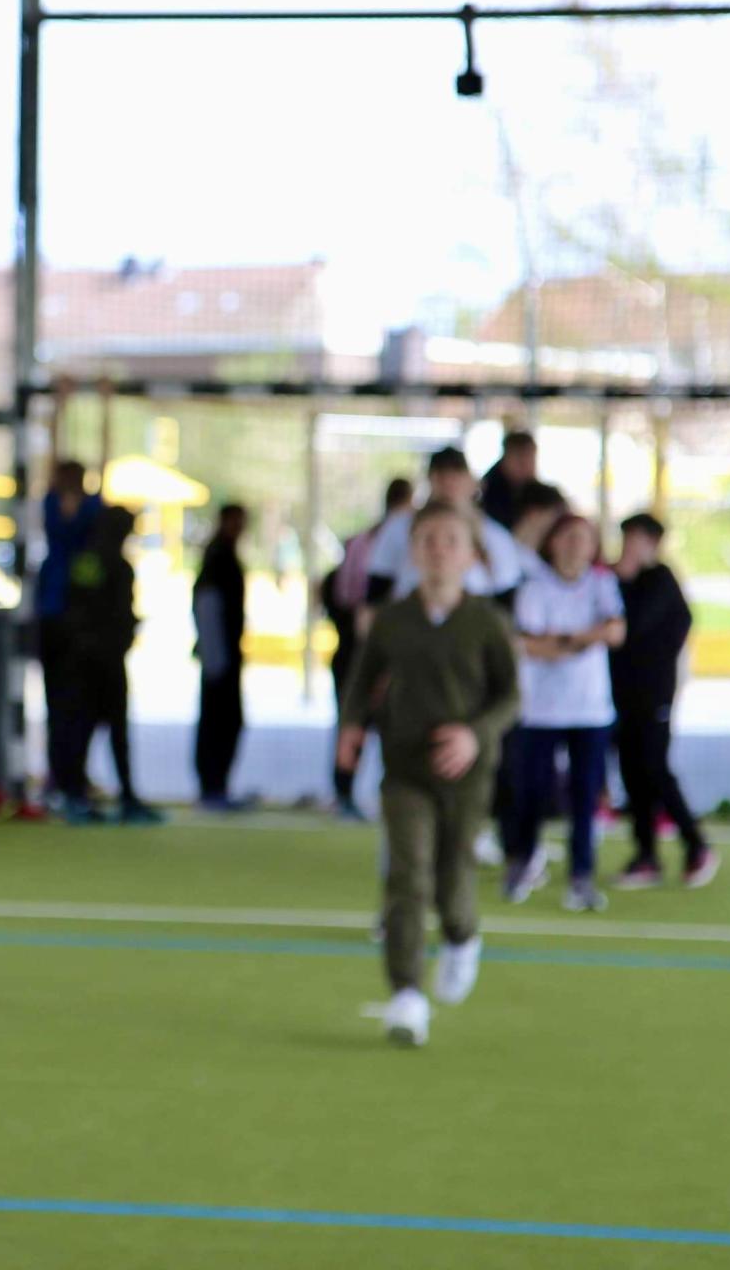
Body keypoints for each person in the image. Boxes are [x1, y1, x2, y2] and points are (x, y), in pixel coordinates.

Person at [338, 502, 520, 1048]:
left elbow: (510, 698)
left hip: (468, 776)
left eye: (449, 540)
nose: (438, 550)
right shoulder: (391, 620)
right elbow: (362, 677)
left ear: (470, 555)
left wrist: (474, 734)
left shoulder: (487, 622)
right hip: (404, 770)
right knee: (407, 876)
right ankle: (406, 994)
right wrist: (351, 727)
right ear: (413, 552)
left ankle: (463, 938)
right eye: (427, 540)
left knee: (452, 884)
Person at [511, 514, 626, 911]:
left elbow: (614, 632)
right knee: (533, 792)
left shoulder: (602, 584)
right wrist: (582, 640)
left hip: (590, 710)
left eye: (585, 539)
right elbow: (529, 643)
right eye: (569, 537)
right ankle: (522, 862)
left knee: (585, 797)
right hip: (540, 711)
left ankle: (581, 876)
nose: (576, 546)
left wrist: (564, 641)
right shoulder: (536, 587)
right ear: (554, 542)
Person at [612, 513, 719, 889]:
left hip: (653, 694)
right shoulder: (616, 579)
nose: (628, 546)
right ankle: (646, 855)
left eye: (637, 539)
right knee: (633, 774)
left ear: (653, 543)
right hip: (621, 696)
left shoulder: (659, 581)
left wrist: (622, 581)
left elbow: (631, 627)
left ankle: (697, 844)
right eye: (626, 538)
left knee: (654, 769)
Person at [58, 505, 162, 824]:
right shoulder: (108, 565)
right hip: (98, 660)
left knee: (93, 728)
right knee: (99, 729)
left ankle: (88, 796)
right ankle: (92, 796)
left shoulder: (94, 562)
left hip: (93, 658)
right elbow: (84, 610)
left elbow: (79, 611)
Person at [322, 478, 414, 819]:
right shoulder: (384, 541)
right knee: (362, 716)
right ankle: (347, 789)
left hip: (355, 640)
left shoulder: (363, 540)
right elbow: (364, 605)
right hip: (369, 644)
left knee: (356, 716)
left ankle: (347, 790)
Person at [493, 479, 567, 879]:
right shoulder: (501, 559)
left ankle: (521, 848)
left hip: (534, 691)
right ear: (538, 516)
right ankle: (515, 849)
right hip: (502, 683)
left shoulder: (536, 567)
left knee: (524, 769)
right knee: (509, 768)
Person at [365, 447, 523, 609]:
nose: (448, 483)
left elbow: (506, 600)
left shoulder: (496, 536)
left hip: (472, 626)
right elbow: (377, 589)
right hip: (410, 624)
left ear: (472, 481)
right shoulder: (398, 527)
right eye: (441, 476)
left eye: (456, 475)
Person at [39, 460, 104, 803]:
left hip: (81, 621)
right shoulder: (50, 504)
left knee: (81, 704)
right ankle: (58, 772)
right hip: (56, 621)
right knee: (56, 701)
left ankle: (75, 772)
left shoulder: (93, 508)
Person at [195, 504, 250, 810]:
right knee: (219, 720)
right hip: (219, 656)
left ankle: (217, 784)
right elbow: (206, 605)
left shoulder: (223, 554)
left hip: (226, 652)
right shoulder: (218, 557)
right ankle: (212, 785)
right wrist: (214, 655)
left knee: (226, 720)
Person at [479, 428, 539, 531]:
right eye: (520, 459)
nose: (525, 465)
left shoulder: (537, 492)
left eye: (530, 458)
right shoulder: (489, 491)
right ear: (506, 458)